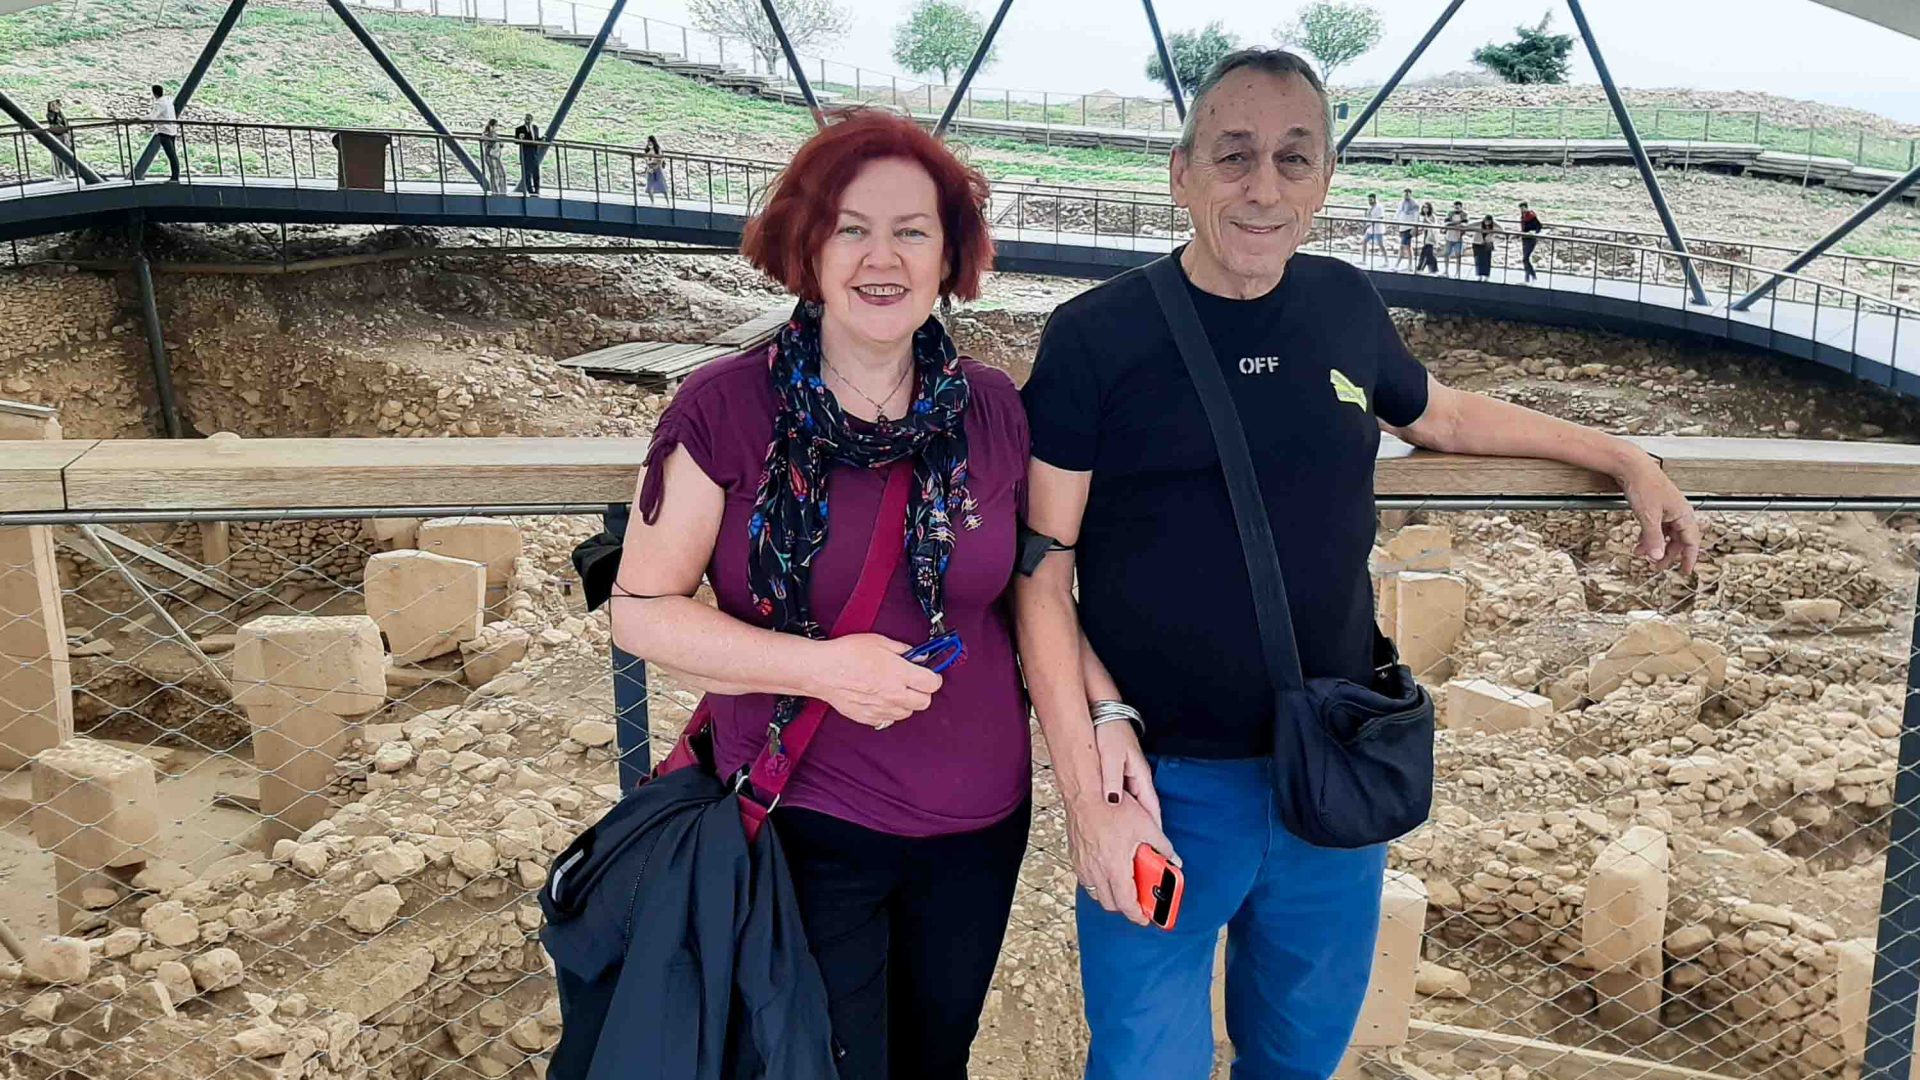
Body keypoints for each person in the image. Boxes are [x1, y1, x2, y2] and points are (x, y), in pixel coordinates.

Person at [1015, 48, 1700, 1080]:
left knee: (1299, 1055)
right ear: (1182, 172)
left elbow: (1444, 415)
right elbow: (1041, 566)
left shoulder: (1342, 303)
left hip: (1330, 769)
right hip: (1164, 785)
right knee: (1142, 1061)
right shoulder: (1096, 338)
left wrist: (1618, 453)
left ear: (1325, 179)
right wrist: (1089, 788)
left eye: (1295, 159)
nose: (1264, 186)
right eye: (1234, 155)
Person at [611, 108, 1030, 1080]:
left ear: (950, 253)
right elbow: (639, 610)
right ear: (805, 242)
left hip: (979, 832)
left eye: (912, 229)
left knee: (937, 1061)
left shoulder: (995, 409)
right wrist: (823, 668)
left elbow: (1035, 592)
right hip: (806, 822)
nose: (881, 257)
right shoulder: (725, 409)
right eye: (852, 226)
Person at [148, 84, 180, 183]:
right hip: (172, 130)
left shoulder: (159, 103)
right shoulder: (168, 101)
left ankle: (175, 177)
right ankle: (175, 176)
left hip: (164, 131)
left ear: (154, 93)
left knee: (171, 155)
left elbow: (153, 117)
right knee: (173, 155)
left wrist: (139, 118)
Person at [514, 113, 541, 194]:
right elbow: (516, 141)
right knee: (527, 173)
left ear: (531, 120)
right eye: (526, 119)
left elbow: (536, 139)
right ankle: (530, 190)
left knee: (536, 172)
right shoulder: (519, 129)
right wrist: (520, 139)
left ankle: (537, 189)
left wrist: (541, 139)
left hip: (534, 153)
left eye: (529, 119)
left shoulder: (535, 128)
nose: (527, 121)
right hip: (525, 153)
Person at [45, 100, 72, 181]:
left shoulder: (61, 113)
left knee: (66, 154)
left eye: (55, 105)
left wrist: (68, 134)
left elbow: (65, 123)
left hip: (64, 135)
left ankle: (65, 174)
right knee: (58, 155)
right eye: (52, 105)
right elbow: (53, 122)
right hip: (57, 136)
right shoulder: (50, 114)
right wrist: (56, 113)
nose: (55, 107)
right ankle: (59, 174)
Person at [1393, 187, 1418, 271]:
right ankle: (1409, 265)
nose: (1406, 195)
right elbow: (1398, 212)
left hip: (1409, 227)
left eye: (1408, 193)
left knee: (1404, 246)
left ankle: (1399, 264)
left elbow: (1416, 216)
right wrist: (1395, 221)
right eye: (1405, 193)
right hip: (1402, 226)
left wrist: (1414, 227)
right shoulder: (1401, 203)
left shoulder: (1414, 204)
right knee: (1407, 246)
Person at [480, 118, 507, 193]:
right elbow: (487, 143)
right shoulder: (487, 133)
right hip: (490, 155)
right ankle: (495, 191)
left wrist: (500, 144)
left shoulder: (495, 134)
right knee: (494, 174)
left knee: (502, 173)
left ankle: (502, 191)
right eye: (496, 125)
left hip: (496, 156)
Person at [1443, 199, 1468, 277]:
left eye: (1458, 207)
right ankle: (1446, 270)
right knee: (1446, 254)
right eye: (1455, 207)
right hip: (1449, 237)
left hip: (1458, 238)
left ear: (1461, 207)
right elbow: (1446, 223)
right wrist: (1457, 223)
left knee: (1458, 256)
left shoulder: (1464, 214)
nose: (1456, 209)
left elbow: (1464, 225)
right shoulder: (1450, 213)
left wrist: (1453, 224)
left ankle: (1458, 271)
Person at [1520, 200, 1542, 282]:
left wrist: (1533, 232)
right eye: (1520, 208)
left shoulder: (1531, 216)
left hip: (1531, 239)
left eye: (1523, 208)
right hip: (1524, 238)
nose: (1521, 210)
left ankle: (1533, 275)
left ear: (1526, 207)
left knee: (1525, 259)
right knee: (1525, 258)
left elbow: (1539, 226)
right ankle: (1527, 278)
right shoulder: (1523, 216)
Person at [1361, 192, 1385, 266]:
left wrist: (1371, 223)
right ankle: (1364, 260)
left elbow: (1381, 217)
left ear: (1374, 199)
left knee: (1381, 245)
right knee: (1364, 241)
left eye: (1371, 200)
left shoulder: (1379, 207)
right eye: (1369, 200)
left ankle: (1386, 261)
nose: (1370, 202)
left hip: (1378, 229)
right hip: (1370, 229)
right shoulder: (1370, 208)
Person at [1473, 213, 1500, 280]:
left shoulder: (1493, 226)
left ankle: (1486, 275)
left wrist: (1494, 223)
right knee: (1478, 260)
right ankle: (1480, 275)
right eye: (1486, 221)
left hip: (1488, 244)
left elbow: (1501, 229)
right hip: (1477, 243)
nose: (1487, 222)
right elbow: (1469, 225)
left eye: (1489, 221)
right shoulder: (1479, 224)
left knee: (1487, 260)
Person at [643, 135, 668, 202]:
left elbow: (660, 160)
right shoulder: (647, 150)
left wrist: (655, 168)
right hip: (650, 168)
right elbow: (646, 160)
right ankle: (652, 202)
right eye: (648, 141)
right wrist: (648, 167)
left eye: (650, 141)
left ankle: (667, 201)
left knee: (662, 185)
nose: (649, 143)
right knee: (649, 186)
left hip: (657, 168)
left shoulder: (657, 150)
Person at [1416, 201, 1439, 274]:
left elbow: (1433, 225)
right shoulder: (1423, 217)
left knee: (1427, 252)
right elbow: (1423, 226)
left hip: (1431, 236)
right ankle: (1433, 269)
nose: (1425, 209)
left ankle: (1421, 268)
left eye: (1427, 207)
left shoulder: (1432, 216)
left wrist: (1427, 219)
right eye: (1424, 207)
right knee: (1428, 253)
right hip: (1426, 235)